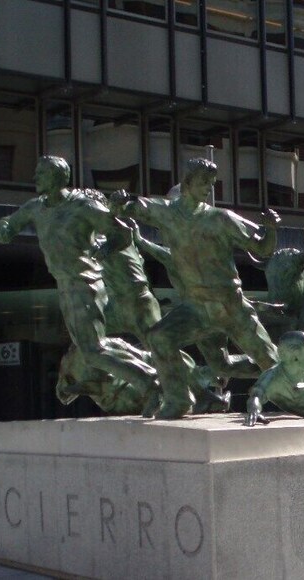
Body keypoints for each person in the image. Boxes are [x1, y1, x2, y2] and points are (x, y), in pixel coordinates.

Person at [113, 158, 279, 419]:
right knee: (160, 338)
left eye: (212, 184)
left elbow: (261, 248)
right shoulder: (167, 213)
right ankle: (178, 399)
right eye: (204, 183)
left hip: (229, 305)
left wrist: (270, 229)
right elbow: (135, 208)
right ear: (187, 182)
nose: (209, 189)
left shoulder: (221, 219)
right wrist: (119, 202)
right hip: (196, 308)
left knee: (270, 362)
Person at [0, 156, 158, 400]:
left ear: (60, 177)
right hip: (65, 285)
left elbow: (120, 232)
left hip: (85, 283)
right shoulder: (35, 208)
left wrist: (104, 250)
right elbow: (9, 224)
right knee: (89, 349)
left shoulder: (82, 206)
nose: (35, 178)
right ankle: (145, 380)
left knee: (92, 350)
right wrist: (2, 229)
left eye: (42, 173)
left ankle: (149, 382)